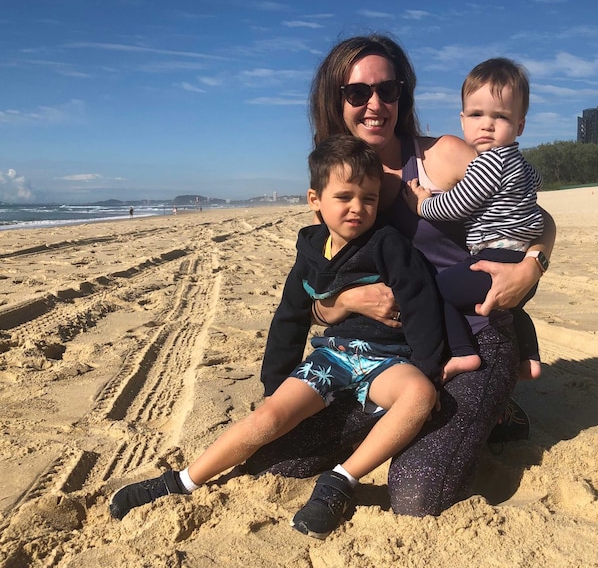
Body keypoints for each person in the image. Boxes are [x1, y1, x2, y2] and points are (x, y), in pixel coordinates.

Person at [241, 34, 556, 518]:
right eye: (357, 93)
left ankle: (496, 403)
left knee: (416, 494)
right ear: (334, 100)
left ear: (402, 97)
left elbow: (534, 216)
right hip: (385, 358)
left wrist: (533, 265)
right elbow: (318, 298)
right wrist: (348, 304)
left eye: (388, 91)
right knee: (283, 458)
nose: (375, 105)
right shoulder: (337, 181)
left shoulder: (442, 157)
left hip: (469, 336)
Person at [109, 134, 445, 540]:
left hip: (387, 359)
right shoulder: (309, 252)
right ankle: (180, 480)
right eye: (344, 197)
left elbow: (422, 300)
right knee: (268, 417)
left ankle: (340, 480)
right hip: (333, 356)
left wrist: (429, 366)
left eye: (369, 199)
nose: (358, 208)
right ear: (315, 199)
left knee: (420, 396)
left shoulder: (388, 243)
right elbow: (290, 316)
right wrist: (277, 381)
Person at [402, 57, 544, 381]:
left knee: (438, 291)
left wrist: (422, 204)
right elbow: (537, 183)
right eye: (477, 115)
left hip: (494, 257)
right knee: (511, 306)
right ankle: (530, 358)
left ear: (519, 124)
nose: (487, 124)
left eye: (501, 116)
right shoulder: (522, 164)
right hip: (521, 259)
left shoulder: (487, 164)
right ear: (463, 119)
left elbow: (454, 206)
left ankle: (463, 353)